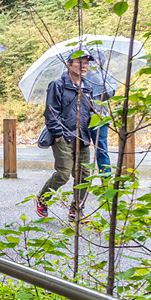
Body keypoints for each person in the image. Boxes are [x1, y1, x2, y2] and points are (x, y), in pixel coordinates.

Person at [35, 53, 98, 222]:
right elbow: (51, 112)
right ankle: (42, 198)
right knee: (63, 173)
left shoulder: (87, 87)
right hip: (63, 135)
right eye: (80, 62)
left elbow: (90, 111)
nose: (84, 66)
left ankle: (76, 210)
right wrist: (57, 134)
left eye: (87, 63)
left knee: (84, 176)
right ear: (69, 65)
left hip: (82, 137)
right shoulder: (57, 85)